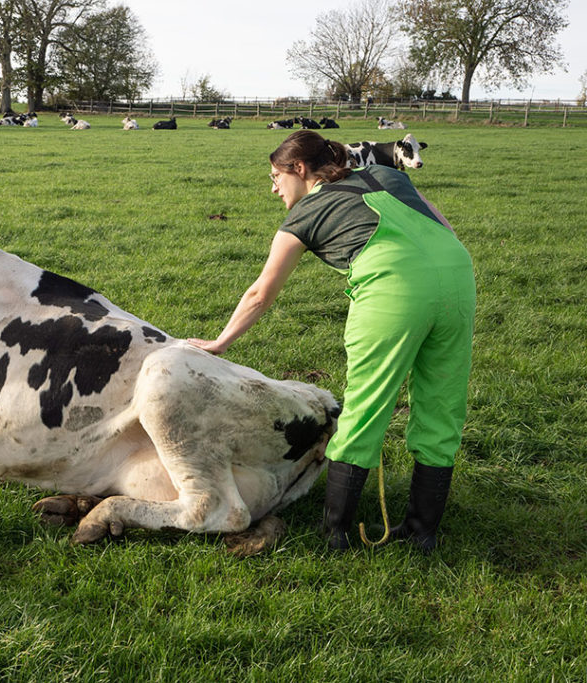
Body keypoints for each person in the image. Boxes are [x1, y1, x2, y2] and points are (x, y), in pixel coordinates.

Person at [188, 130, 475, 553]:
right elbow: (444, 227)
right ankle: (422, 533)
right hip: (458, 278)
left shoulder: (304, 214)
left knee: (365, 409)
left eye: (275, 177)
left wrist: (220, 341)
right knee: (442, 407)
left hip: (393, 288)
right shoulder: (387, 174)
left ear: (299, 170)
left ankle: (336, 535)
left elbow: (260, 293)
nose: (273, 188)